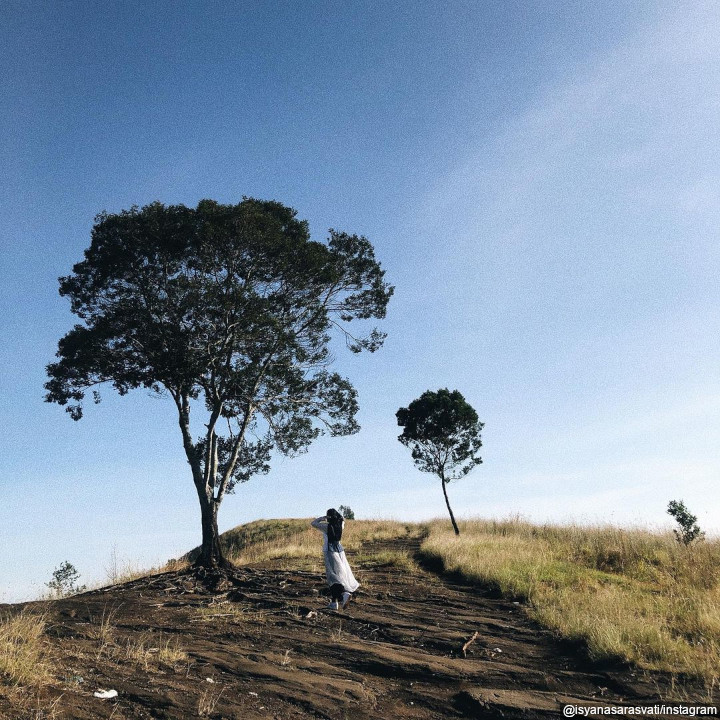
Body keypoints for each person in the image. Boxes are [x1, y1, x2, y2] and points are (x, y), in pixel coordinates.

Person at [311, 508, 360, 610]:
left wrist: (323, 518)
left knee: (333, 577)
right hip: (340, 552)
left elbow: (313, 523)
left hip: (330, 551)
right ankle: (334, 602)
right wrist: (340, 518)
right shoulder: (340, 526)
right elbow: (343, 521)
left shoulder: (326, 526)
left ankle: (343, 595)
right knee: (339, 575)